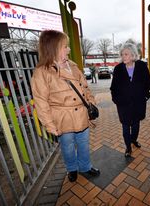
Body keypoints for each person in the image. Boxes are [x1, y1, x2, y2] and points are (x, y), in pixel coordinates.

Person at [31, 30, 100, 182]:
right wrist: (49, 124)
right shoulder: (42, 72)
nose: (69, 49)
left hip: (82, 114)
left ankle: (85, 167)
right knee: (67, 147)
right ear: (53, 48)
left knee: (83, 144)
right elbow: (41, 101)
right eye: (65, 46)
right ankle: (72, 168)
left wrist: (91, 102)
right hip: (62, 118)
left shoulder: (73, 66)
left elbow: (85, 88)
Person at [110, 43, 150, 157]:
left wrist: (145, 96)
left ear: (133, 55)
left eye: (126, 54)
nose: (123, 57)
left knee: (136, 125)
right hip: (123, 104)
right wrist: (117, 100)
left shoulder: (142, 66)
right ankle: (128, 147)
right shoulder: (118, 69)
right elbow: (113, 87)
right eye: (122, 54)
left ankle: (133, 139)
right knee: (125, 126)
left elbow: (148, 82)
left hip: (138, 103)